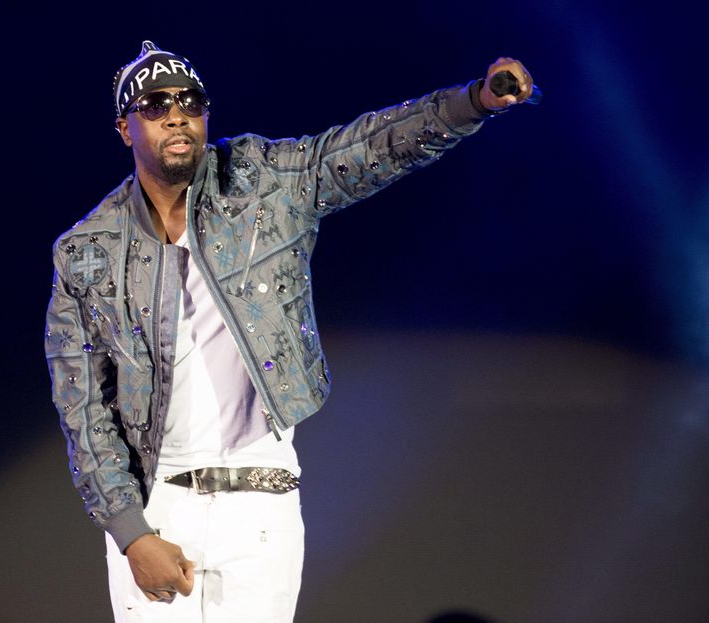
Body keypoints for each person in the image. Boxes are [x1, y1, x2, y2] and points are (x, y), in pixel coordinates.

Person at [44, 40, 534, 622]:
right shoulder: (86, 253)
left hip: (261, 502)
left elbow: (365, 148)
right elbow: (83, 409)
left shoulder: (263, 184)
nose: (177, 114)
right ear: (126, 128)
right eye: (154, 105)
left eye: (190, 101)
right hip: (157, 506)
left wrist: (471, 103)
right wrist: (130, 533)